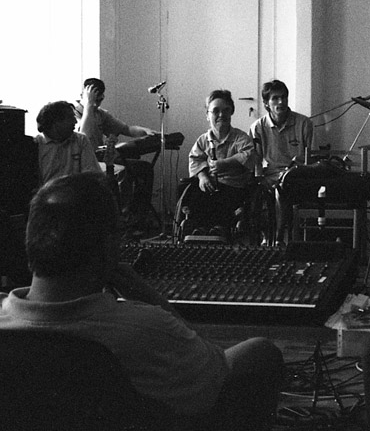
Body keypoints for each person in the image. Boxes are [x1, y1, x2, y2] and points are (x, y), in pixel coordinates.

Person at [0, 173, 283, 429]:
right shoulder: (146, 328)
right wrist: (150, 298)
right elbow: (214, 370)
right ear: (109, 245)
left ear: (30, 237)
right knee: (261, 352)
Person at [75, 77, 157, 220]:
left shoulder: (100, 114)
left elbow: (127, 129)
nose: (97, 104)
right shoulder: (73, 113)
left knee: (144, 168)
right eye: (95, 100)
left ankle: (138, 215)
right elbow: (84, 136)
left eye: (100, 100)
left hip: (101, 158)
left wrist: (147, 132)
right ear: (84, 94)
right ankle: (121, 216)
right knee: (122, 172)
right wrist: (88, 105)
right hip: (85, 161)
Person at [249, 79, 314, 244]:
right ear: (266, 103)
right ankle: (267, 236)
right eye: (275, 98)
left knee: (281, 188)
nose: (281, 102)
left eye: (284, 97)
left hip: (297, 175)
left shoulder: (304, 123)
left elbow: (310, 157)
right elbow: (256, 160)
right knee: (260, 191)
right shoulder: (257, 127)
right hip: (270, 175)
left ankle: (278, 238)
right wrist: (258, 179)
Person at [186, 90, 255, 237]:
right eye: (215, 111)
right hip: (209, 183)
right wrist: (202, 177)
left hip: (234, 185)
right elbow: (195, 159)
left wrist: (225, 163)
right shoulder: (203, 140)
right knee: (193, 194)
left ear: (231, 112)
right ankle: (199, 230)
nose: (221, 115)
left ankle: (220, 229)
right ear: (207, 115)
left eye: (226, 110)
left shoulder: (241, 138)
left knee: (225, 197)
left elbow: (248, 155)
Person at [34, 101, 101, 184]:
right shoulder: (36, 145)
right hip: (47, 192)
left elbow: (92, 175)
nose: (75, 122)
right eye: (70, 118)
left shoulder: (80, 140)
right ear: (56, 122)